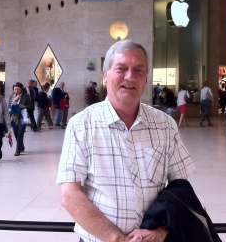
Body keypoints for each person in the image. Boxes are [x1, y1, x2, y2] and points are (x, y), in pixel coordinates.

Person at [56, 40, 195, 242]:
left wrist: (162, 230)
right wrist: (117, 239)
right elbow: (69, 195)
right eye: (121, 68)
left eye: (139, 70)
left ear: (146, 78)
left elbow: (181, 188)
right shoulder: (81, 125)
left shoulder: (165, 125)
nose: (130, 77)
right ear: (105, 75)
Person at [8, 82, 30, 157]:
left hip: (22, 116)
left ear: (21, 89)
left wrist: (24, 106)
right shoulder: (12, 96)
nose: (16, 91)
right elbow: (9, 106)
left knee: (20, 133)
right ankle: (21, 146)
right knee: (16, 133)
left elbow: (30, 105)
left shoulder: (25, 96)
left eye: (18, 89)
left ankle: (17, 150)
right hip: (14, 117)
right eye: (15, 89)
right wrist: (9, 109)